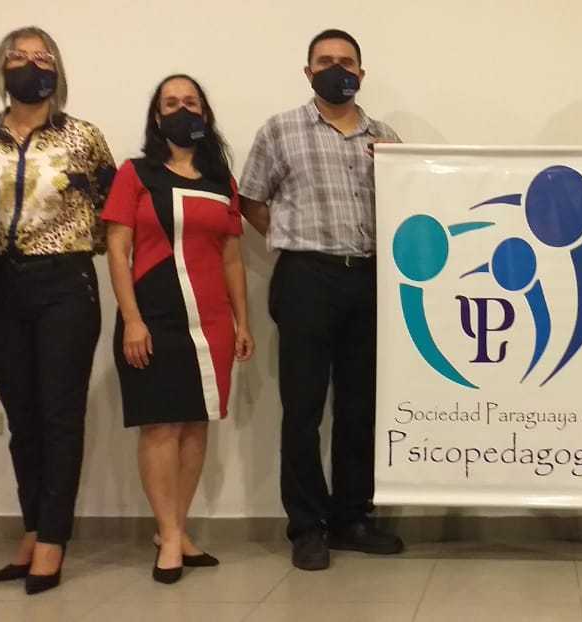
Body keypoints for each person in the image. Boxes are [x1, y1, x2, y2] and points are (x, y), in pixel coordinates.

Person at [238, 28, 403, 571]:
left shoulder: (387, 138)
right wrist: (292, 237)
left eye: (346, 61)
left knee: (360, 406)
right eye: (325, 61)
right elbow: (251, 199)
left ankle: (352, 518)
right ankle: (307, 526)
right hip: (305, 278)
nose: (337, 69)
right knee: (303, 408)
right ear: (308, 72)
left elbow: (408, 206)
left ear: (362, 73)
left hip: (369, 279)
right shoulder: (280, 130)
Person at [0, 26, 116, 594]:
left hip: (65, 282)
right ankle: (32, 529)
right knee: (22, 416)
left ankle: (54, 537)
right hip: (1, 283)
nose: (31, 64)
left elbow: (114, 210)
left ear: (58, 70)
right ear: (1, 68)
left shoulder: (83, 137)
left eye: (43, 56)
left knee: (59, 414)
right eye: (19, 56)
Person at [103, 74, 254, 584]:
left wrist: (242, 321)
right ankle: (168, 535)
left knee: (194, 424)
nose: (182, 110)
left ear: (205, 114)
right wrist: (132, 320)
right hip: (153, 319)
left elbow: (231, 257)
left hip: (210, 324)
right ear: (157, 116)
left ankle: (177, 528)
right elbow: (118, 252)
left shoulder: (221, 181)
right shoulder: (136, 174)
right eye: (171, 103)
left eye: (191, 102)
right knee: (160, 426)